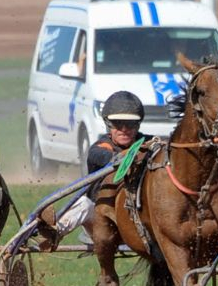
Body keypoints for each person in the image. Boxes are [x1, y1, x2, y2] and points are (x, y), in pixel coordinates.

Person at [44, 91, 146, 239]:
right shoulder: (100, 148)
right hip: (101, 220)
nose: (124, 129)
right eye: (118, 124)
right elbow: (101, 156)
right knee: (84, 204)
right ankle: (53, 233)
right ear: (108, 125)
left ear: (137, 125)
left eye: (129, 124)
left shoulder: (149, 144)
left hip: (138, 219)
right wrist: (126, 157)